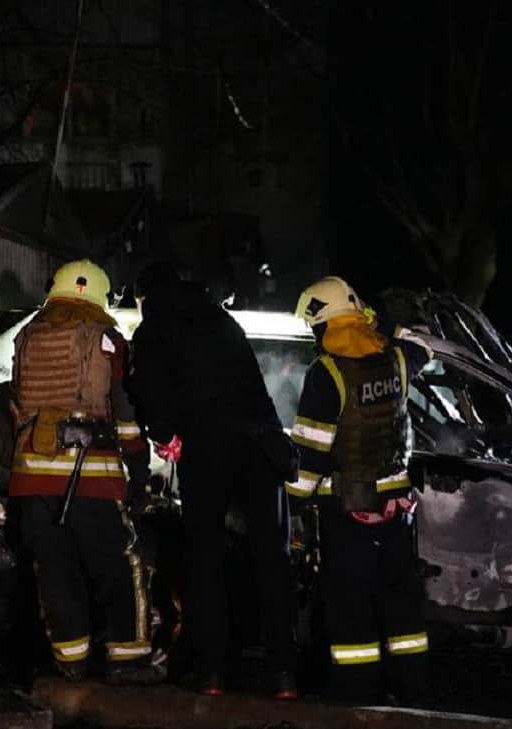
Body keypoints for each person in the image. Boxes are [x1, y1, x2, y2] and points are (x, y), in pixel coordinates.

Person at [126, 262, 299, 699]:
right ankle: (283, 674)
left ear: (146, 297)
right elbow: (251, 385)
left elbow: (147, 391)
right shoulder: (220, 319)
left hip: (207, 450)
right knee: (272, 560)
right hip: (262, 446)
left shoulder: (154, 329)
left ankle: (213, 673)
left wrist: (164, 436)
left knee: (204, 558)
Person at [7, 259, 160, 683]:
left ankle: (71, 662)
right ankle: (128, 659)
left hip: (31, 476)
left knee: (54, 569)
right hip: (90, 475)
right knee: (119, 565)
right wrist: (138, 468)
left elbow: (18, 400)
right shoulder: (106, 338)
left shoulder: (28, 335)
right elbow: (124, 409)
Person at [288, 276, 434, 703]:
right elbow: (424, 345)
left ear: (322, 322)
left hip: (346, 508)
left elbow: (312, 451)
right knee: (400, 600)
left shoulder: (327, 372)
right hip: (397, 505)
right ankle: (412, 686)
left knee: (349, 603)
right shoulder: (396, 358)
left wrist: (292, 503)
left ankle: (357, 689)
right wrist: (381, 322)